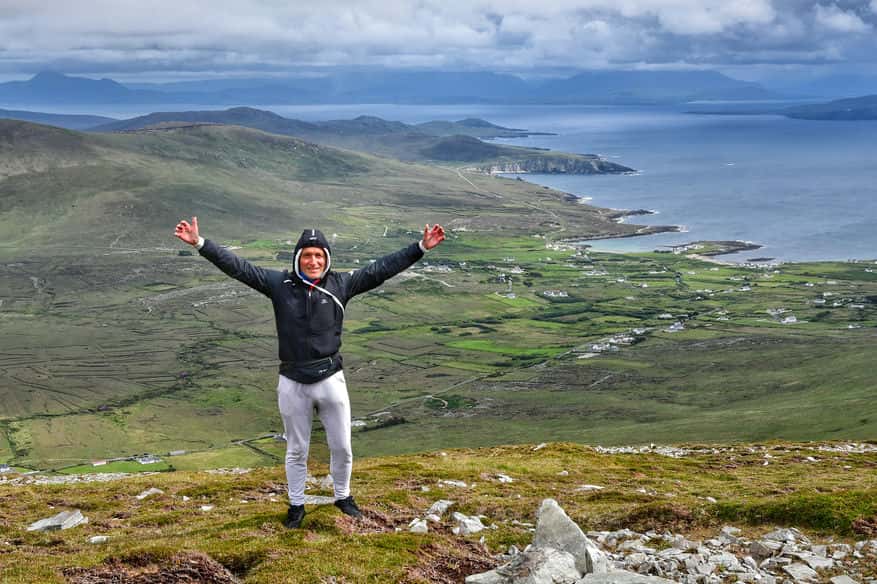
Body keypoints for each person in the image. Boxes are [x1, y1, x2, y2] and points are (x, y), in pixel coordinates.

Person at [174, 217, 445, 528]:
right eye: (307, 255)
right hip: (292, 381)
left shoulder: (342, 285)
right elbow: (239, 268)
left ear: (326, 259)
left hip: (331, 378)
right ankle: (296, 504)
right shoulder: (279, 285)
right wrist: (200, 243)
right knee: (296, 449)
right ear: (297, 258)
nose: (313, 260)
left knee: (342, 445)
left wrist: (421, 247)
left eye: (319, 255)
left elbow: (381, 269)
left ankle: (343, 497)